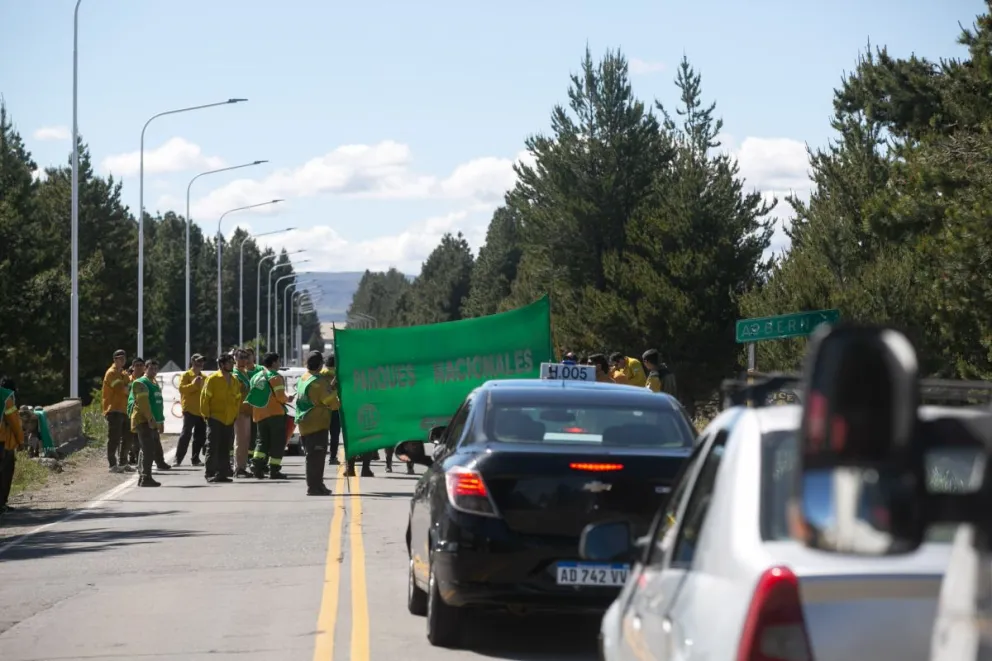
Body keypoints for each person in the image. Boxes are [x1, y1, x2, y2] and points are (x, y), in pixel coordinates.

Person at [247, 352, 293, 480]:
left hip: (259, 414)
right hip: (275, 414)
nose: (279, 364)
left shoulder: (256, 376)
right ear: (273, 363)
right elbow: (280, 396)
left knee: (261, 441)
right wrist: (288, 398)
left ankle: (256, 464)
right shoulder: (275, 377)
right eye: (278, 361)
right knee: (278, 443)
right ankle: (274, 470)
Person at [296, 351, 336, 495]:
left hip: (305, 422)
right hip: (317, 423)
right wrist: (335, 392)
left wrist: (331, 386)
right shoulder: (318, 383)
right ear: (320, 365)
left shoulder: (304, 378)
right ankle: (313, 487)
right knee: (316, 458)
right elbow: (331, 402)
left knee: (314, 457)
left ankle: (318, 484)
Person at [200, 353, 242, 483]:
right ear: (222, 365)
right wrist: (206, 415)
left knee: (225, 447)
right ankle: (210, 473)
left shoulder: (234, 380)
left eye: (232, 363)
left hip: (229, 418)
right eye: (229, 363)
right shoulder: (212, 379)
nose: (232, 365)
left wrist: (235, 414)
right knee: (213, 446)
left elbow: (237, 399)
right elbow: (204, 398)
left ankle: (222, 473)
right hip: (215, 417)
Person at [128, 359, 166, 488]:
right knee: (148, 450)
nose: (154, 371)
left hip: (152, 421)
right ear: (145, 368)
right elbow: (144, 404)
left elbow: (158, 404)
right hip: (144, 421)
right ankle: (146, 477)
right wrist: (150, 419)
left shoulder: (154, 383)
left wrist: (160, 421)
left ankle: (143, 476)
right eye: (151, 368)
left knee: (148, 450)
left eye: (156, 369)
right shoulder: (141, 383)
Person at [101, 349, 133, 473]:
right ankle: (112, 464)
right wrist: (127, 387)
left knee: (127, 437)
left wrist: (127, 387)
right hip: (113, 409)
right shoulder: (111, 373)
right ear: (114, 359)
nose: (122, 360)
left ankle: (123, 462)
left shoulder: (124, 373)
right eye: (119, 358)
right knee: (114, 437)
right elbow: (123, 390)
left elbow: (130, 388)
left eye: (124, 358)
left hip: (124, 409)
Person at [174, 354, 207, 466]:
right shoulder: (186, 375)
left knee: (200, 436)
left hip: (201, 411)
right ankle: (178, 459)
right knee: (186, 435)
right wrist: (193, 385)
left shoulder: (205, 377)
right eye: (198, 361)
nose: (200, 363)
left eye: (202, 361)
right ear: (192, 362)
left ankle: (195, 458)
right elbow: (182, 389)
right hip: (189, 410)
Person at [0, 376, 24, 513]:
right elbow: (15, 423)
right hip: (4, 443)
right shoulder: (6, 399)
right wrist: (21, 442)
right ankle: (2, 504)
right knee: (5, 474)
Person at [231, 349, 256, 478]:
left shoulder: (245, 373)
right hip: (239, 411)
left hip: (247, 410)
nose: (243, 360)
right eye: (240, 357)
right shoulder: (235, 374)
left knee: (245, 441)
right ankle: (238, 468)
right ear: (234, 358)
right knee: (240, 441)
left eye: (245, 357)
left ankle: (242, 466)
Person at [320, 354, 342, 465]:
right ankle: (332, 457)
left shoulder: (319, 375)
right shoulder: (339, 375)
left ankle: (319, 456)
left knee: (322, 435)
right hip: (334, 409)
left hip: (321, 409)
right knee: (334, 435)